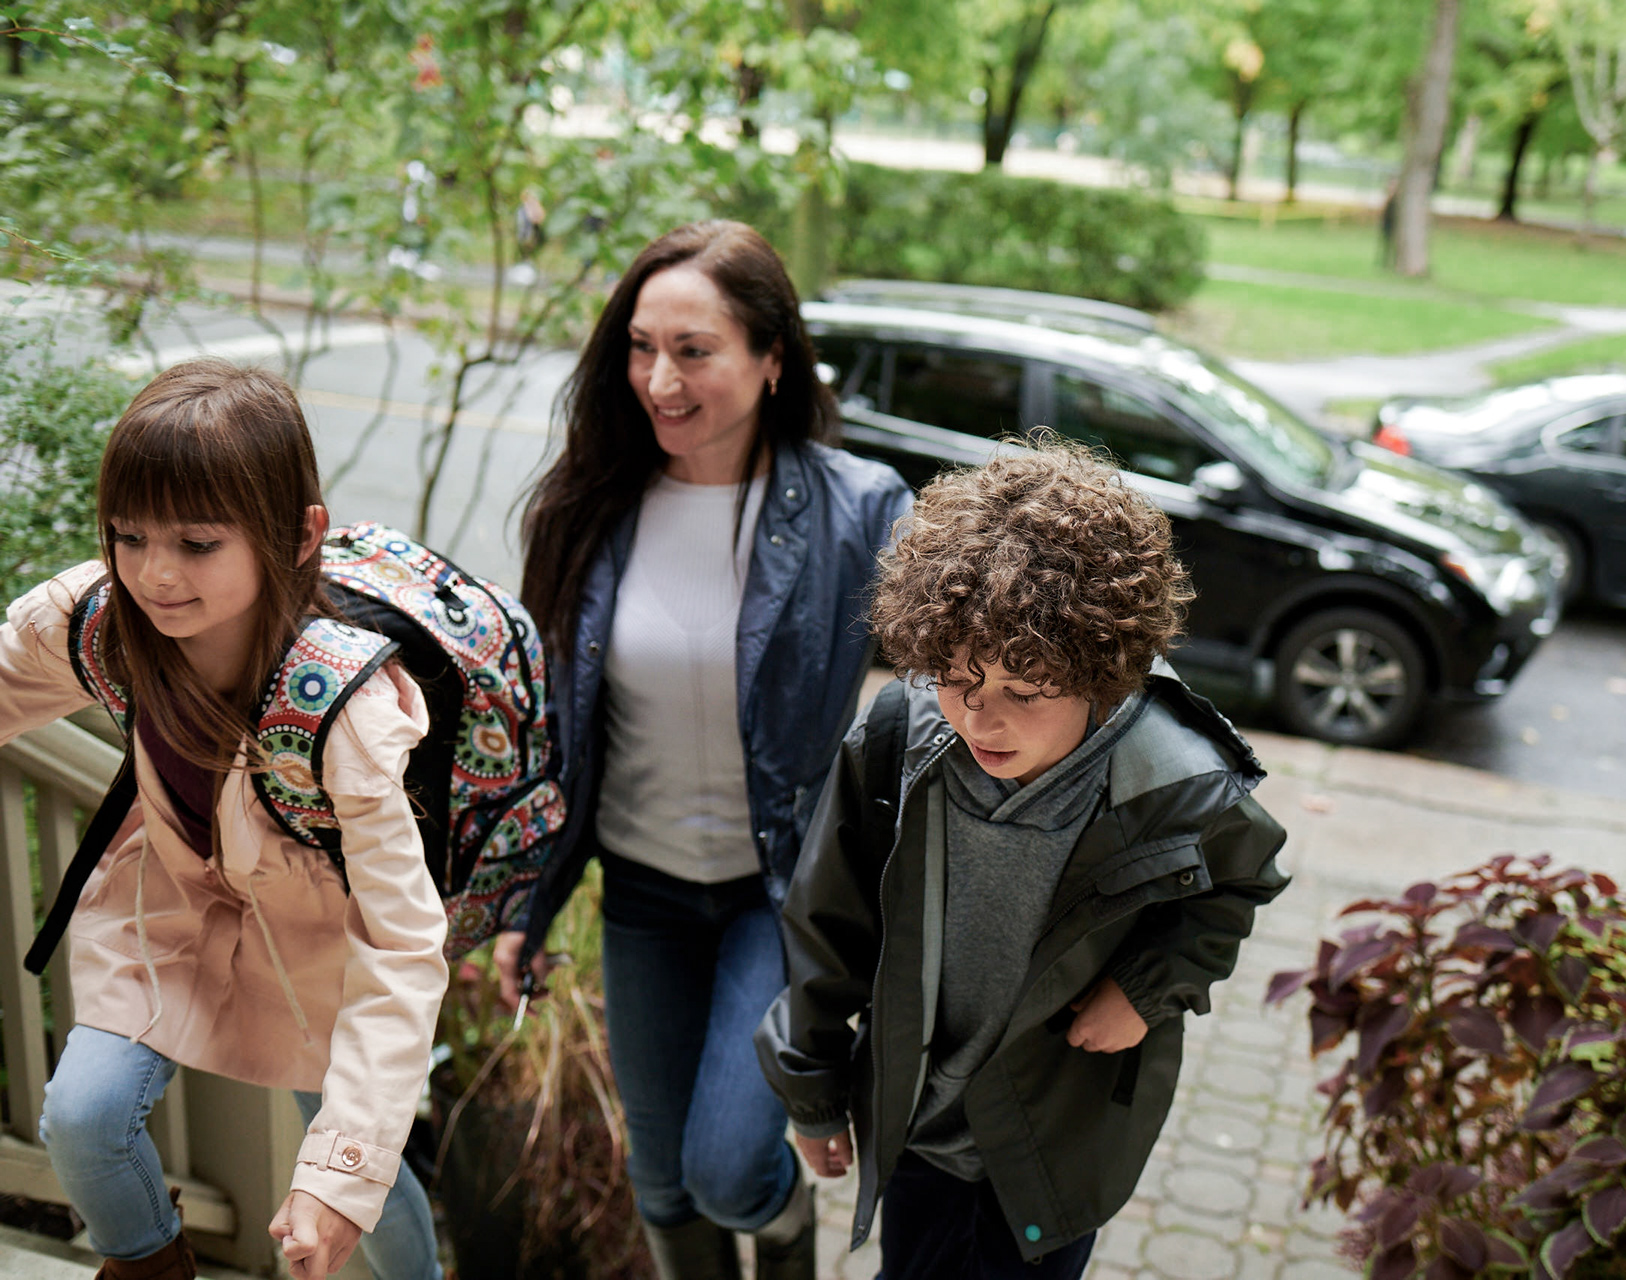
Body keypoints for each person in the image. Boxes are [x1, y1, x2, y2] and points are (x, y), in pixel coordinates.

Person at [754, 443, 1290, 1280]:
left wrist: (1148, 991)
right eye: (957, 677)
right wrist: (814, 1092)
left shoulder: (1182, 784)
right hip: (923, 1127)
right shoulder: (895, 740)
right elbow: (828, 927)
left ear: (1103, 673)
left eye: (1026, 691)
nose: (981, 719)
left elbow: (1239, 884)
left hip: (1055, 1142)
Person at [498, 220, 912, 1280]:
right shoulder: (588, 505)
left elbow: (967, 681)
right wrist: (525, 906)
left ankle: (784, 1250)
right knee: (662, 1183)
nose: (658, 378)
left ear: (773, 358)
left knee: (730, 1171)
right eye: (641, 347)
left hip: (776, 897)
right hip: (641, 891)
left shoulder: (859, 512)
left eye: (694, 349)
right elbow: (556, 733)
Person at [0, 361, 449, 1280]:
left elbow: (403, 944)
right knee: (82, 1117)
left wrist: (334, 1178)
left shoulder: (342, 708)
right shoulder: (101, 625)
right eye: (130, 535)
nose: (156, 573)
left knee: (361, 1165)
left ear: (297, 535)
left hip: (323, 943)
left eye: (197, 543)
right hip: (167, 909)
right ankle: (152, 1266)